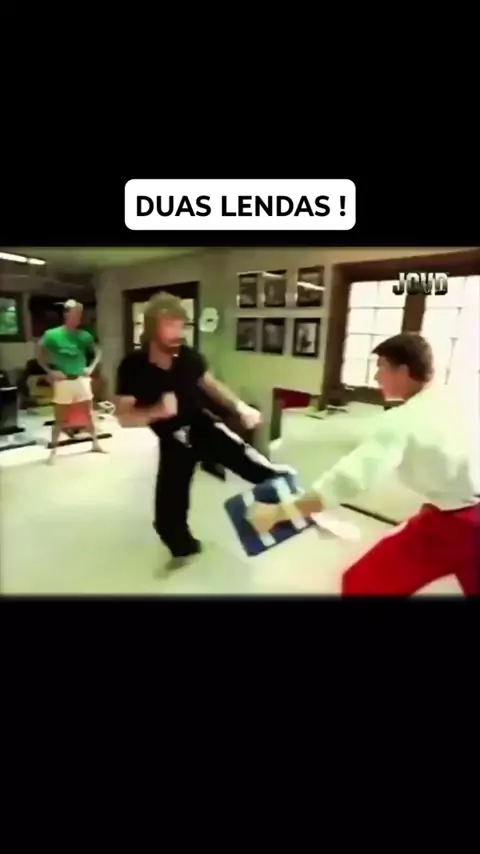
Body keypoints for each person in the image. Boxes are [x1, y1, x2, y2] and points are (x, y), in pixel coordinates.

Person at [249, 333, 480, 596]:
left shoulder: (405, 420)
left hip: (456, 525)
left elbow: (347, 479)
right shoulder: (458, 398)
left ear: (403, 371)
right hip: (456, 513)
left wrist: (280, 513)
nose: (376, 377)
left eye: (382, 367)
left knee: (361, 585)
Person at [114, 292, 294, 568]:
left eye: (180, 325)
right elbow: (124, 417)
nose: (177, 332)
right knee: (168, 518)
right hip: (173, 439)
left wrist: (240, 406)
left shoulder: (188, 357)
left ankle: (300, 504)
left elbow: (210, 384)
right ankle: (184, 547)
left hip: (202, 425)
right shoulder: (133, 367)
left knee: (258, 468)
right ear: (152, 327)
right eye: (169, 325)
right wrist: (156, 412)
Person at [37, 300, 105, 464]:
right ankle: (53, 451)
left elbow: (98, 351)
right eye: (75, 314)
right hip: (63, 382)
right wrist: (50, 371)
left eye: (80, 314)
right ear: (66, 314)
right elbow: (39, 354)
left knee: (89, 415)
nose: (78, 317)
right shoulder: (52, 334)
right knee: (60, 419)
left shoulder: (84, 335)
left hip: (81, 379)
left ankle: (96, 443)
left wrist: (91, 367)